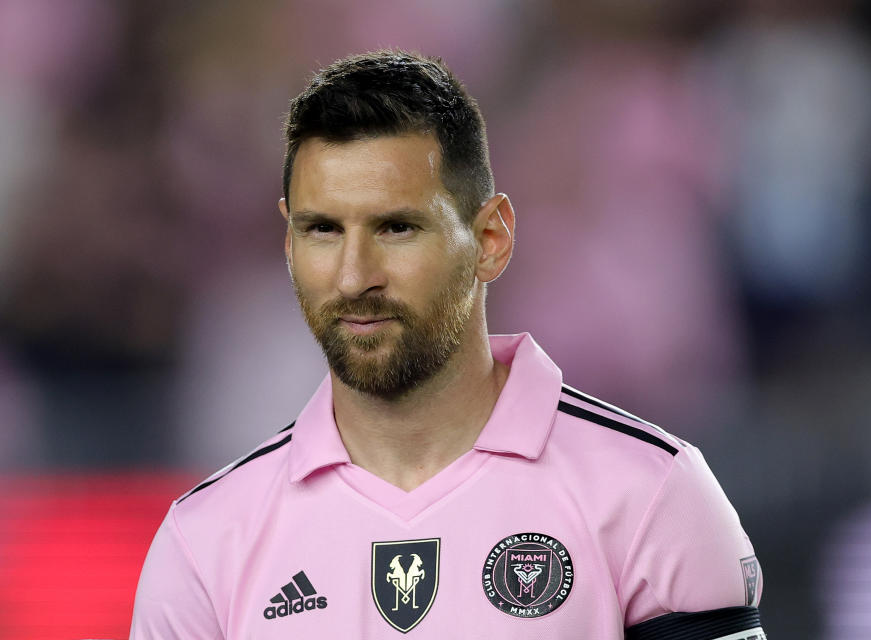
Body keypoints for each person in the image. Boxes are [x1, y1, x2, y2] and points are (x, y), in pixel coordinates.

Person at [130, 50, 766, 639]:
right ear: (289, 243)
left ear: (490, 239)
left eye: (397, 227)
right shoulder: (204, 541)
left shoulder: (653, 496)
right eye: (322, 229)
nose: (354, 275)